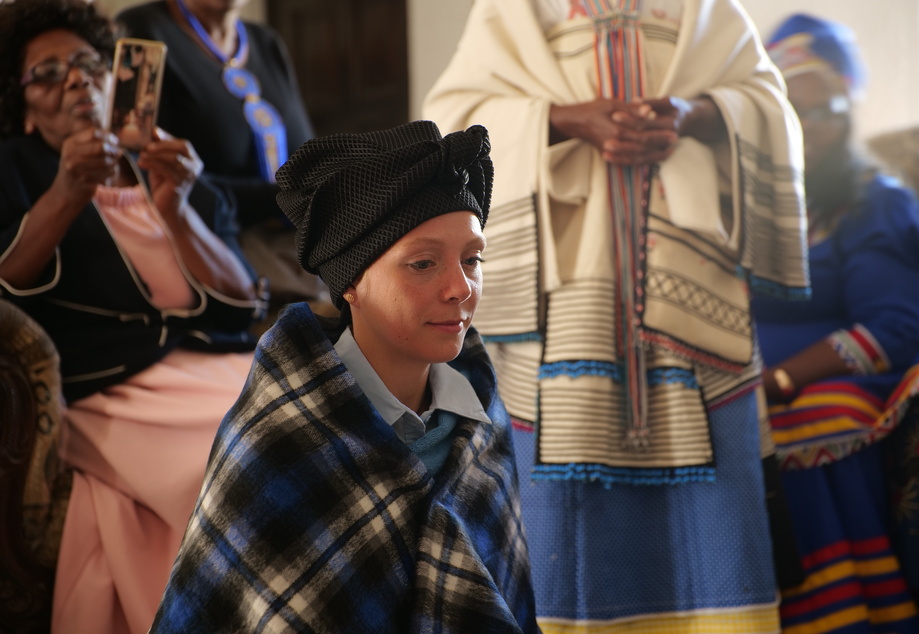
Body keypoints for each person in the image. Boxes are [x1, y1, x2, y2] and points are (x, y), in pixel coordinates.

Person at [424, 0, 808, 631]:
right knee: (565, 531)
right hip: (561, 302)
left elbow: (768, 103)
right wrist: (564, 120)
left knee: (716, 520)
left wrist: (693, 112)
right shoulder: (516, 9)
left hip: (690, 297)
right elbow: (451, 126)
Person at [149, 120, 539, 633]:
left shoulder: (482, 419)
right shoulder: (278, 444)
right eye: (422, 263)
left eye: (472, 259)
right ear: (350, 281)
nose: (459, 288)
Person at [0, 1, 263, 632]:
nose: (74, 79)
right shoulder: (17, 168)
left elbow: (243, 296)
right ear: (25, 109)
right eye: (47, 72)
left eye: (88, 63)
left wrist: (177, 210)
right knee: (236, 466)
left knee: (332, 426)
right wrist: (67, 192)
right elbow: (5, 282)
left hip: (220, 363)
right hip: (117, 388)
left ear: (116, 77)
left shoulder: (169, 163)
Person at [756, 13, 919, 634]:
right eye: (796, 111)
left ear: (847, 111)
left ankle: (852, 616)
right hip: (750, 374)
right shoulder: (756, 202)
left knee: (808, 425)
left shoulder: (877, 199)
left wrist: (781, 379)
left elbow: (891, 328)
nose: (812, 126)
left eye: (827, 108)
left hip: (858, 374)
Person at [114, 0, 325, 320]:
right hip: (218, 248)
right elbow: (140, 169)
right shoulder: (141, 33)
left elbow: (307, 158)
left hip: (301, 242)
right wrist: (282, 198)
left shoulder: (266, 42)